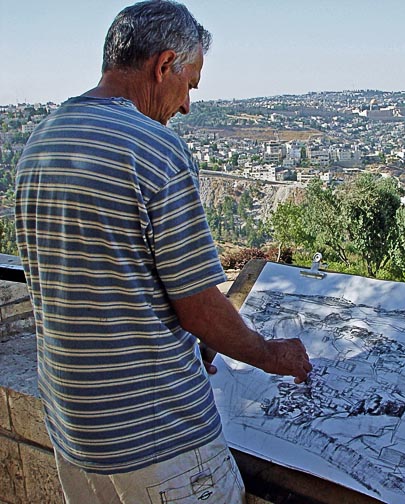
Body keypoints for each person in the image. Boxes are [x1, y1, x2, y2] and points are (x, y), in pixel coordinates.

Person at [14, 1, 312, 503]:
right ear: (162, 65)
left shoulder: (43, 141)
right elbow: (196, 303)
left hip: (74, 429)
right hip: (156, 436)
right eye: (189, 85)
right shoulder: (155, 148)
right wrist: (269, 354)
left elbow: (90, 278)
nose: (187, 105)